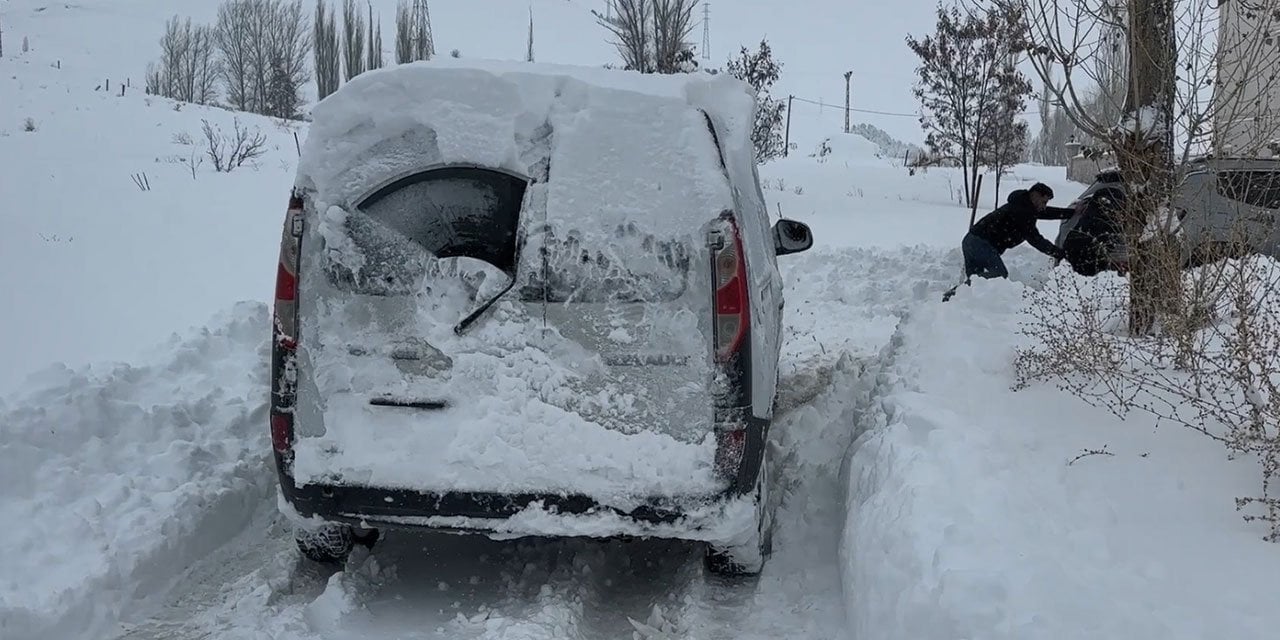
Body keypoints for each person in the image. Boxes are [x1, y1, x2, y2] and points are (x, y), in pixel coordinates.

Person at [962, 182, 1075, 279]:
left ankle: (952, 299)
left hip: (971, 241)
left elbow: (1046, 212)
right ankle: (951, 297)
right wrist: (1061, 254)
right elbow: (1036, 240)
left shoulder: (1023, 205)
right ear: (1035, 195)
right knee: (999, 275)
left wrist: (1072, 213)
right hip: (980, 244)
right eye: (1044, 202)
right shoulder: (1022, 212)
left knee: (975, 281)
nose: (1044, 206)